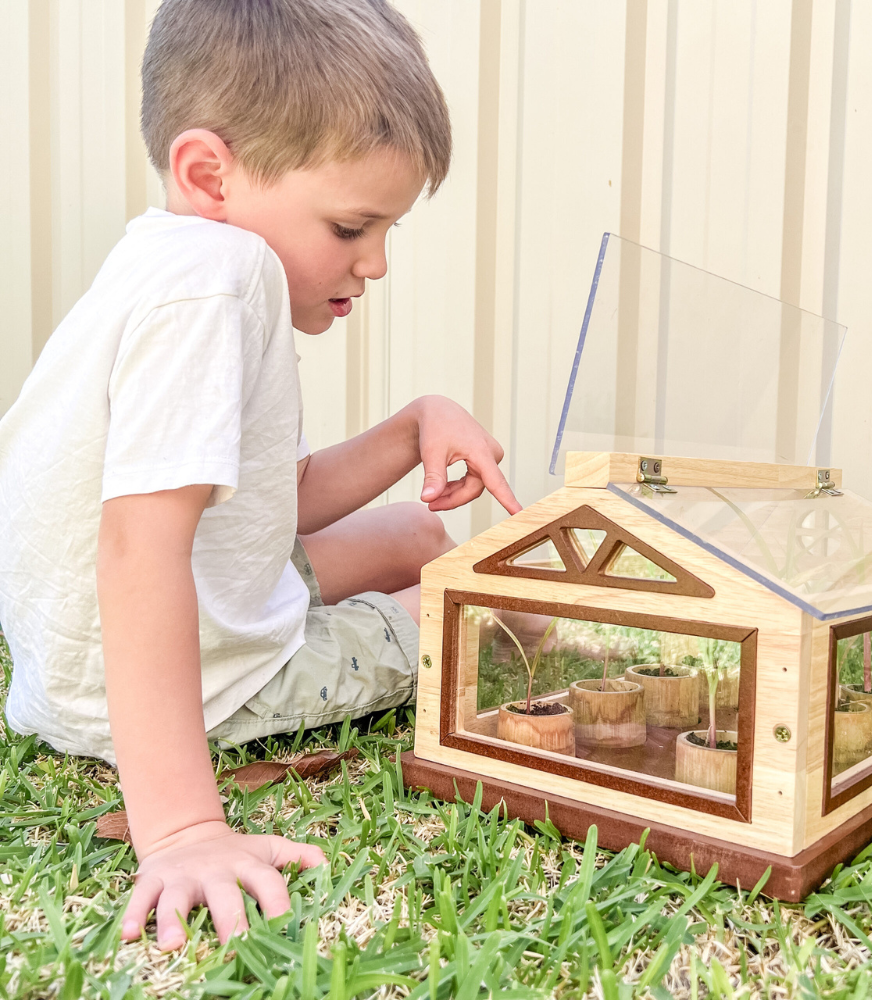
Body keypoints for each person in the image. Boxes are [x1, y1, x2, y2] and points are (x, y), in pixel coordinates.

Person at [0, 0, 519, 951]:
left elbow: (260, 502)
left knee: (416, 538)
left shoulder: (173, 262)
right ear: (211, 174)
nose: (378, 262)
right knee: (483, 620)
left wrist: (413, 428)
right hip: (169, 680)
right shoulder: (215, 283)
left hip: (140, 625)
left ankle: (373, 594)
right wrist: (184, 830)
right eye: (352, 225)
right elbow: (138, 548)